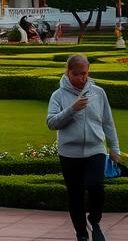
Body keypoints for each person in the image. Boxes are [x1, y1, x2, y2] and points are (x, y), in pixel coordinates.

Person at [48, 54, 120, 241]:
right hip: (69, 153)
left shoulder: (98, 93)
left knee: (96, 187)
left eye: (85, 73)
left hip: (95, 149)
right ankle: (81, 233)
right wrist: (72, 109)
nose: (82, 78)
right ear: (68, 72)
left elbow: (108, 122)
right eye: (77, 74)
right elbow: (51, 123)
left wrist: (114, 148)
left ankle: (94, 220)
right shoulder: (58, 95)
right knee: (75, 194)